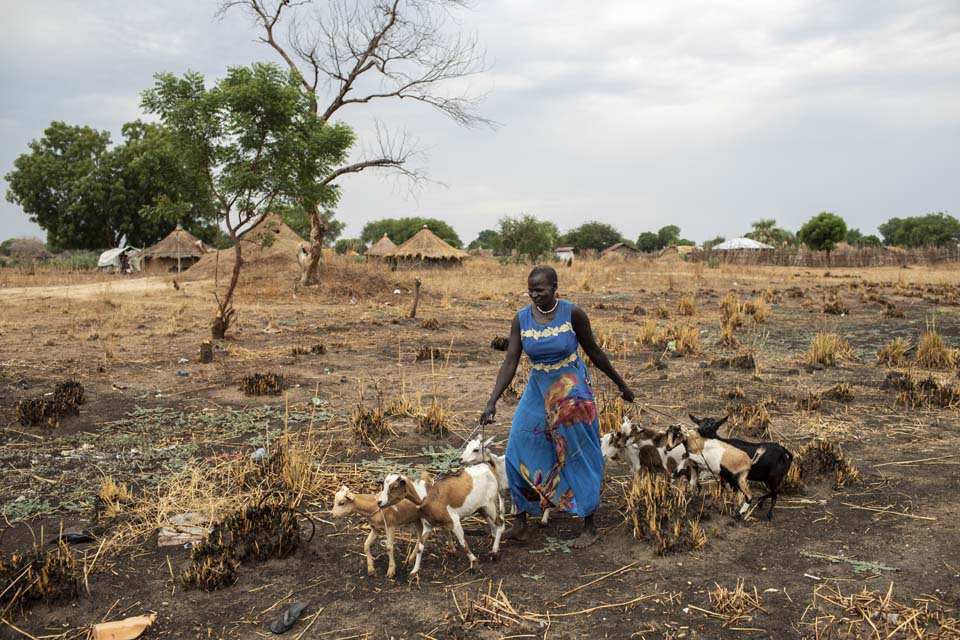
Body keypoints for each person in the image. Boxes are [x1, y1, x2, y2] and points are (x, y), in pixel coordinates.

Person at [479, 265, 635, 548]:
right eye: (530, 290)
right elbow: (510, 361)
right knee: (516, 448)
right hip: (538, 386)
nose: (534, 295)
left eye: (539, 290)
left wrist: (621, 384)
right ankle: (522, 521)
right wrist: (492, 401)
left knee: (577, 452)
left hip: (571, 388)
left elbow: (595, 352)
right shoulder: (521, 319)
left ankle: (589, 524)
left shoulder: (572, 314)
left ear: (554, 287)